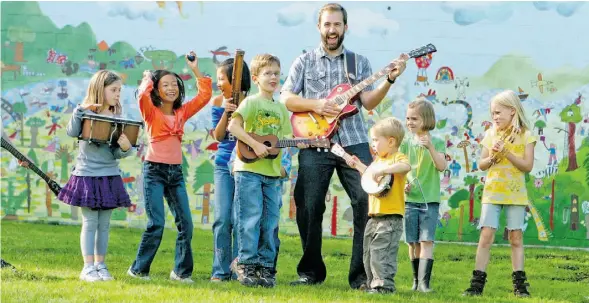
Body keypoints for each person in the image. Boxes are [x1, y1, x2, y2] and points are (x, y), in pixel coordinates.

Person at [280, 2, 407, 288]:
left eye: (337, 24)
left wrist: (389, 79)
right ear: (319, 27)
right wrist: (318, 105)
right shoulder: (304, 61)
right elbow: (286, 97)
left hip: (353, 140)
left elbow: (369, 102)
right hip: (314, 142)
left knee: (366, 200)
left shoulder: (358, 63)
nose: (332, 30)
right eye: (327, 24)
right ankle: (310, 272)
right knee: (309, 205)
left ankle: (361, 276)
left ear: (345, 27)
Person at [128, 51, 212, 283]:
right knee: (156, 223)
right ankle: (138, 270)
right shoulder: (150, 112)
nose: (172, 88)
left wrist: (195, 69)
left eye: (175, 84)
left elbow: (204, 95)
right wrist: (148, 78)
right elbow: (142, 96)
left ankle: (181, 272)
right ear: (157, 89)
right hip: (154, 171)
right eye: (165, 84)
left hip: (175, 173)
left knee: (186, 224)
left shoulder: (181, 112)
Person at [227, 53, 305, 288]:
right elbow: (233, 125)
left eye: (276, 73)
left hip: (272, 175)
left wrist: (288, 162)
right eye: (267, 73)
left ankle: (266, 268)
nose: (273, 77)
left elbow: (284, 142)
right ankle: (247, 265)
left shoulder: (281, 109)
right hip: (248, 170)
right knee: (250, 219)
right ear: (256, 78)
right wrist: (255, 144)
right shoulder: (251, 102)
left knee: (270, 222)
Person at [57, 70, 133, 281]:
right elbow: (72, 132)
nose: (118, 94)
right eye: (113, 90)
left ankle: (100, 265)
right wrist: (80, 110)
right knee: (90, 222)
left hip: (109, 176)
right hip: (87, 176)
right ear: (100, 89)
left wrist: (126, 148)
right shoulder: (84, 113)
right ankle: (87, 267)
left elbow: (116, 153)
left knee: (104, 224)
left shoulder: (118, 118)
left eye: (119, 90)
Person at [463, 90, 535, 297]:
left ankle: (520, 286)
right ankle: (476, 285)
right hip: (493, 192)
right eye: (492, 113)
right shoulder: (490, 133)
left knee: (515, 237)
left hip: (515, 194)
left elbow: (527, 166)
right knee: (486, 235)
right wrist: (494, 156)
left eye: (498, 112)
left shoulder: (526, 135)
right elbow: (482, 164)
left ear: (512, 111)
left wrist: (507, 153)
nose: (494, 117)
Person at [346, 117, 410, 294]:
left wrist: (384, 170)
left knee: (382, 252)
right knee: (368, 252)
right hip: (373, 216)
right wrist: (357, 165)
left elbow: (406, 166)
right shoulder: (376, 162)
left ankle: (385, 285)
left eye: (376, 140)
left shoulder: (397, 158)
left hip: (390, 217)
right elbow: (369, 176)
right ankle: (372, 282)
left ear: (391, 141)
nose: (373, 144)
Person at [210, 58, 251, 282]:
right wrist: (226, 111)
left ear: (236, 80)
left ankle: (239, 269)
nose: (219, 83)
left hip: (245, 165)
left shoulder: (252, 102)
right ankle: (220, 270)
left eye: (222, 79)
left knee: (240, 219)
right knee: (223, 219)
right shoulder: (218, 101)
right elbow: (218, 137)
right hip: (223, 164)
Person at [400, 97, 446, 292]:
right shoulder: (405, 143)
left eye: (414, 119)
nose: (410, 122)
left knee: (426, 241)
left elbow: (441, 166)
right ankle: (416, 282)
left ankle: (425, 284)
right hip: (410, 201)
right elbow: (401, 169)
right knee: (413, 242)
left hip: (430, 201)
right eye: (408, 118)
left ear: (426, 120)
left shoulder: (437, 141)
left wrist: (430, 148)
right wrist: (403, 184)